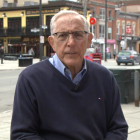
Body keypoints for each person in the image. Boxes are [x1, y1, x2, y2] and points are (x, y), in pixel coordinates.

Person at [11, 10, 128, 140]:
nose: (71, 42)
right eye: (62, 35)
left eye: (78, 35)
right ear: (52, 42)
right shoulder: (30, 79)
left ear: (89, 40)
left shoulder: (105, 78)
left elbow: (117, 129)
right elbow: (21, 135)